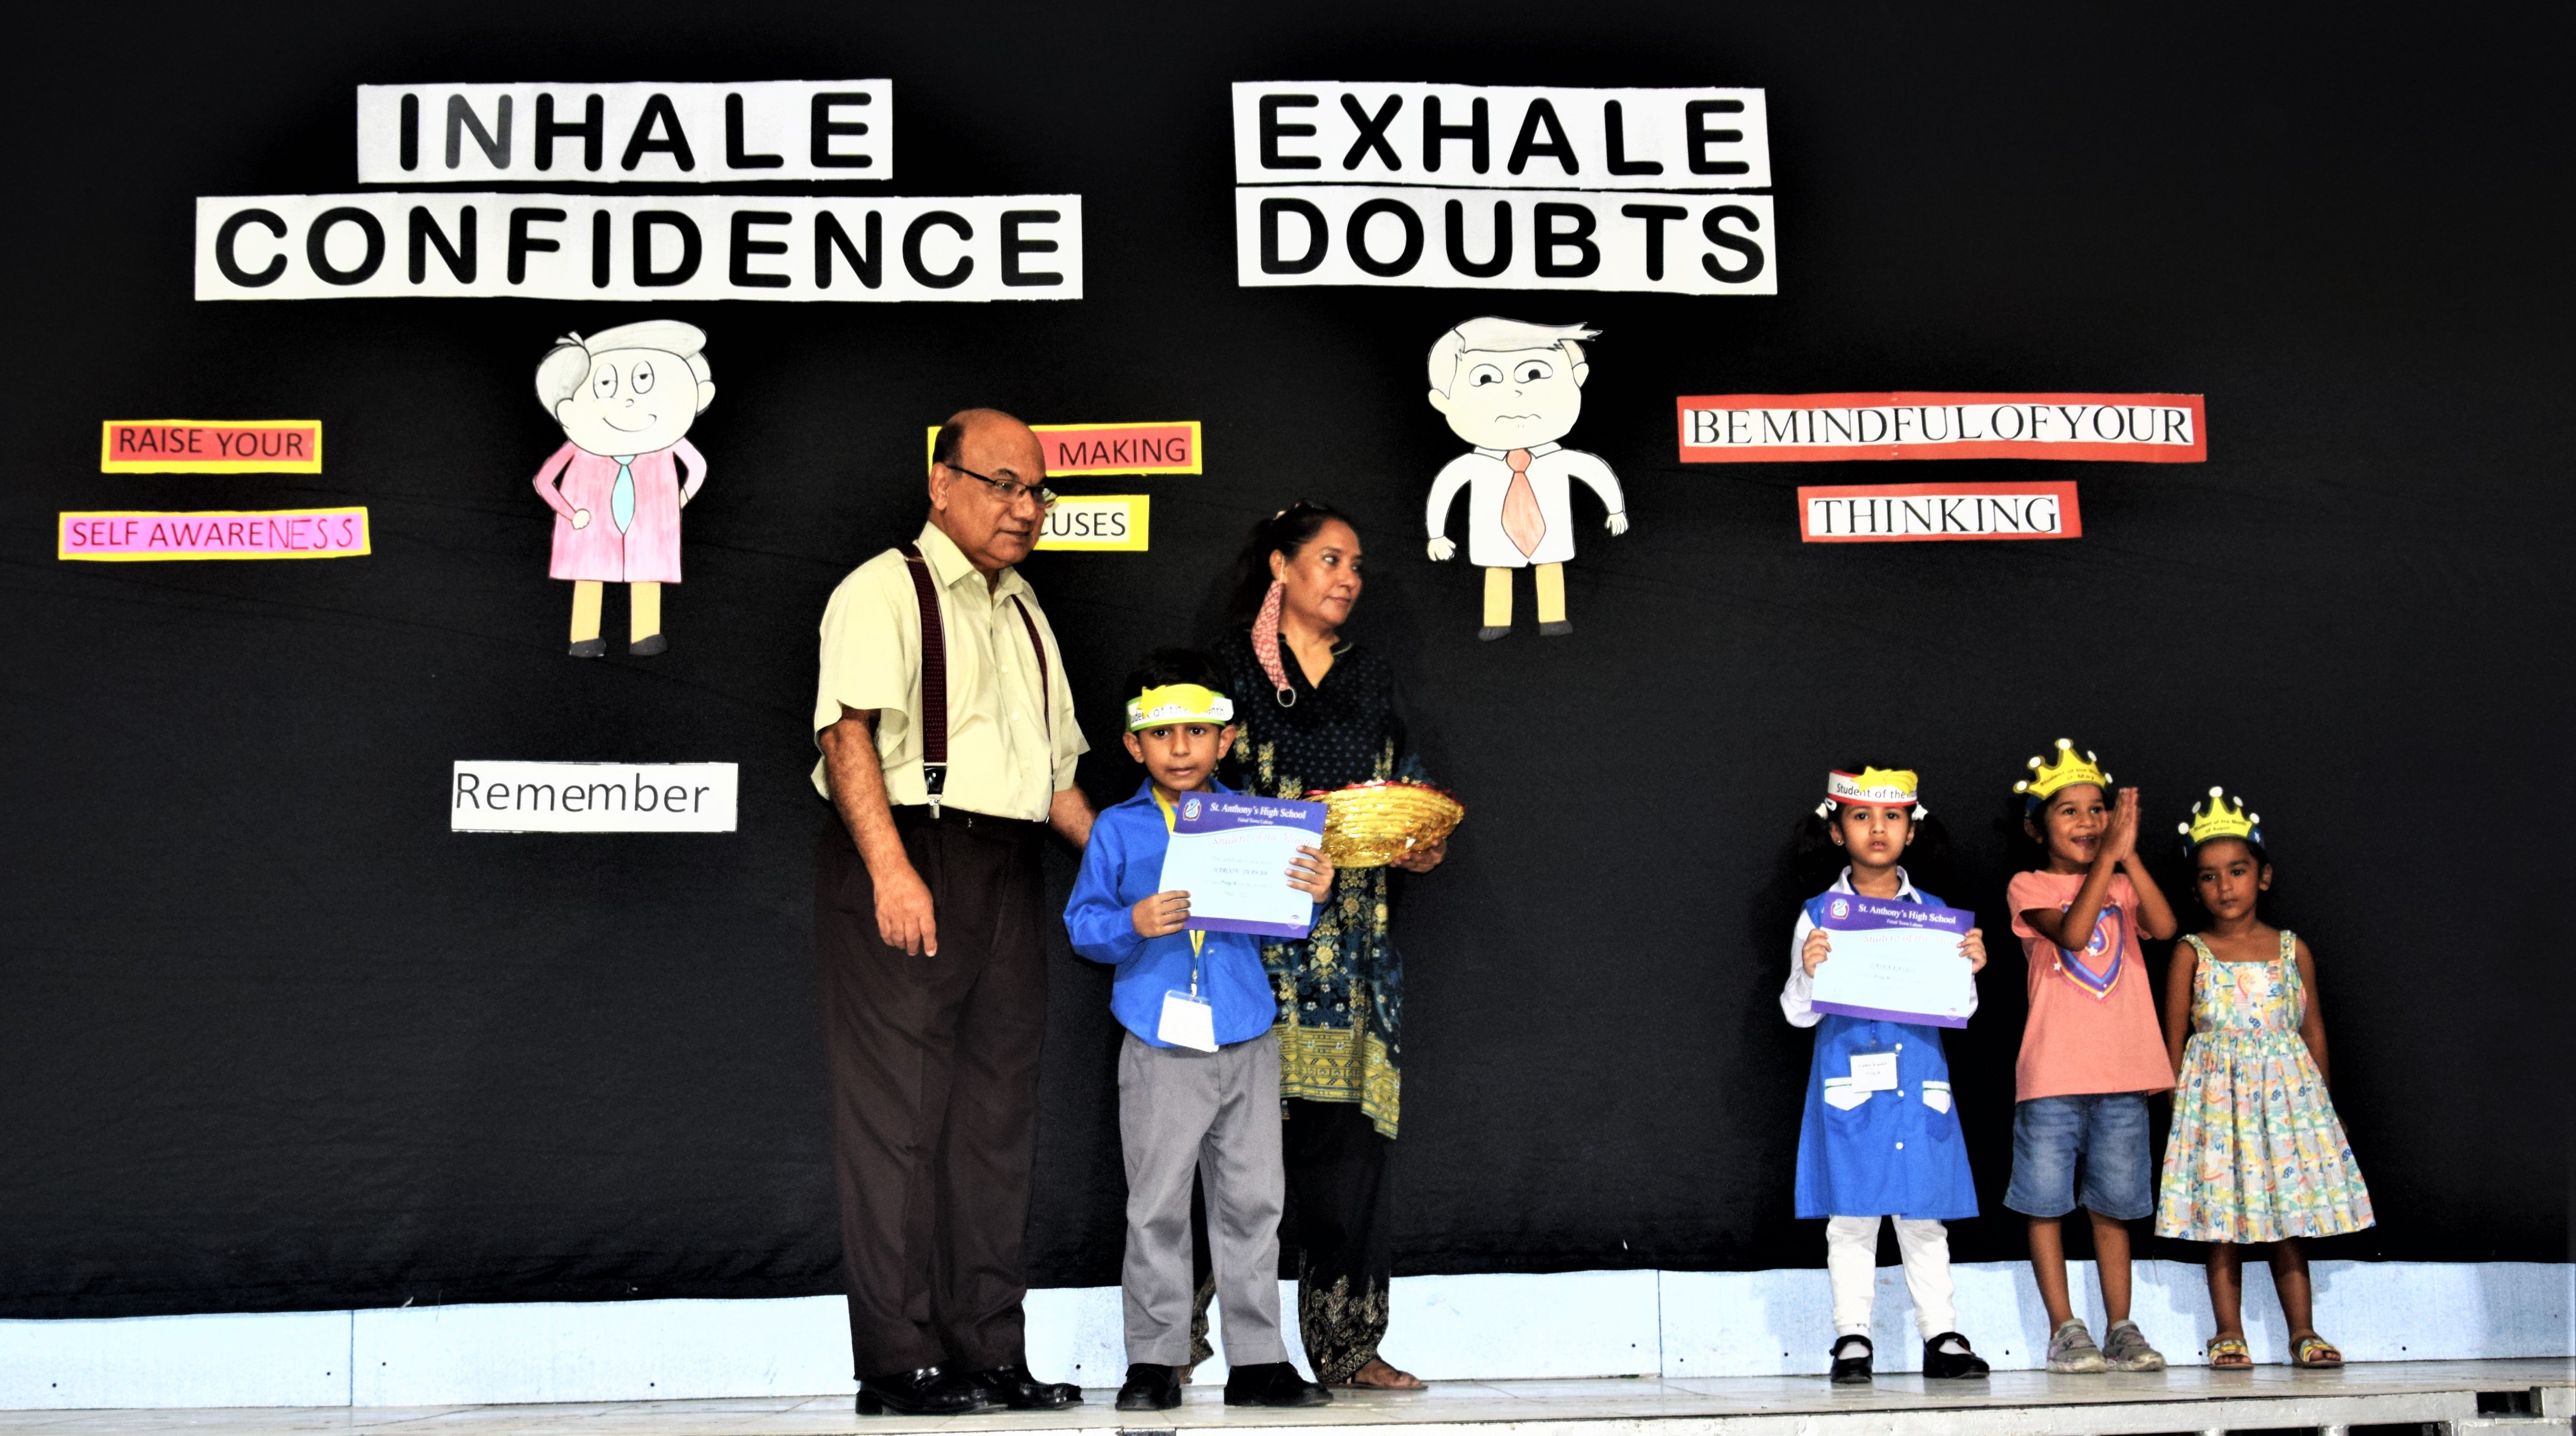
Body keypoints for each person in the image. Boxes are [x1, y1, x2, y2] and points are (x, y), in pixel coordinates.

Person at [809, 409, 1094, 1416]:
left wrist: (1135, 866)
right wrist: (890, 871)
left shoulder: (1026, 611)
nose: (1024, 508)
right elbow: (847, 736)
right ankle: (899, 1359)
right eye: (1001, 483)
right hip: (911, 851)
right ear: (941, 483)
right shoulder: (883, 588)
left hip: (1011, 864)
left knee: (994, 1121)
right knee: (898, 1120)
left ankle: (988, 1349)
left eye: (1036, 491)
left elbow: (1058, 783)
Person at [1199, 502, 1446, 1390]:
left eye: (1356, 565)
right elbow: (1189, 788)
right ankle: (1176, 1340)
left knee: (1346, 1159)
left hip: (1353, 953)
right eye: (1330, 559)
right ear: (1280, 565)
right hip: (1246, 951)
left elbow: (1407, 787)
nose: (1348, 578)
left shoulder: (1369, 673)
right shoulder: (1224, 670)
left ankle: (1348, 1345)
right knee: (1223, 1151)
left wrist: (1422, 838)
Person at [1064, 650, 1336, 1412]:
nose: (1180, 748)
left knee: (1255, 1202)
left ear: (1227, 740)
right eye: (1161, 733)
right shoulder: (1117, 830)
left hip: (1246, 1034)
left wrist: (1315, 891)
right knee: (1156, 1205)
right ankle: (1154, 1360)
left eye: (1197, 731)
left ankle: (1259, 1362)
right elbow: (1082, 926)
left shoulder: (1259, 823)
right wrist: (1132, 920)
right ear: (1133, 746)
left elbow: (1287, 921)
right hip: (1159, 1043)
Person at [1781, 766, 1992, 1385]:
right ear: (1837, 831)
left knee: (1924, 1214)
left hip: (1917, 1087)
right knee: (1850, 1216)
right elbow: (1796, 1013)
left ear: (1911, 829)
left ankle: (1941, 1333)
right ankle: (1853, 1335)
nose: (1878, 828)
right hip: (1852, 1087)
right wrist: (1809, 970)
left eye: (1892, 816)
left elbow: (1961, 1008)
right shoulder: (1819, 915)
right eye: (1862, 816)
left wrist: (1970, 968)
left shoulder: (1937, 917)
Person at [2156, 789, 2372, 1370]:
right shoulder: (2191, 953)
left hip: (2285, 1110)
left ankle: (2303, 1330)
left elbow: (2313, 1030)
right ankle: (2227, 1332)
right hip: (2217, 1110)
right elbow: (2173, 1039)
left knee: (2288, 1220)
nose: (2225, 886)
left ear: (2264, 875)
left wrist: (2322, 1108)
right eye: (2209, 876)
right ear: (2195, 887)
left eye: (2237, 871)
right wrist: (2179, 1108)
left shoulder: (2292, 950)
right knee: (2221, 1222)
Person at [2003, 740, 2179, 1374]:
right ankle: (2064, 1327)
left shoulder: (2123, 883)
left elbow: (2165, 925)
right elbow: (2075, 934)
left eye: (2098, 809)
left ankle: (2120, 1326)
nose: (2087, 821)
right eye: (2069, 810)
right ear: (2037, 827)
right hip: (2053, 1075)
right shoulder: (2028, 885)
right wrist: (2108, 860)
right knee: (2046, 1202)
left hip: (2123, 1076)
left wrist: (2126, 857)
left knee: (2115, 1205)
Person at [1421, 318, 1629, 640]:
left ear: (1578, 378)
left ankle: (1554, 618)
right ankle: (1496, 621)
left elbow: (1595, 471)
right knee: (1497, 570)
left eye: (1534, 374)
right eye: (1486, 378)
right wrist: (1436, 534)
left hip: (1550, 535)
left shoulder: (1559, 459)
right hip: (1494, 537)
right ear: (1442, 401)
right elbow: (1445, 488)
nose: (1514, 392)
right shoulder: (1474, 465)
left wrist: (1616, 509)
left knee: (1551, 566)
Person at [528, 320, 714, 657]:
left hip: (649, 526)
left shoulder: (664, 439)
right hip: (591, 528)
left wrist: (678, 501)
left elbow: (698, 467)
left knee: (647, 571)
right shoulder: (582, 444)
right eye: (605, 383)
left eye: (643, 379)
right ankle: (584, 638)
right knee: (589, 573)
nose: (626, 400)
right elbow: (544, 480)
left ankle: (646, 636)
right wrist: (571, 513)